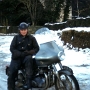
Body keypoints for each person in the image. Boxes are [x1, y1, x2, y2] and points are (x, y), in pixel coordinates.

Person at [7, 22, 39, 90]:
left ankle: (28, 83)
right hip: (17, 58)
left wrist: (29, 52)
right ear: (19, 30)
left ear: (27, 30)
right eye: (22, 30)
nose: (23, 31)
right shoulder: (16, 38)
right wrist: (20, 54)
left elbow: (37, 48)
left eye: (25, 30)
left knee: (30, 62)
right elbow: (12, 48)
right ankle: (11, 87)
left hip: (27, 57)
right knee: (12, 73)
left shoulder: (31, 38)